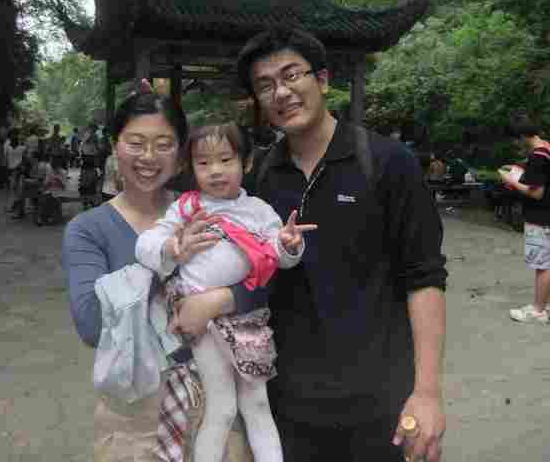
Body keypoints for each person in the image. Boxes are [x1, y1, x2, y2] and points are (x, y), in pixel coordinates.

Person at [229, 27, 447, 462]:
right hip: (288, 403)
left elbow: (424, 278)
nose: (281, 92)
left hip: (380, 401)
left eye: (292, 75)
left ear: (323, 80)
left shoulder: (387, 163)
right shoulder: (260, 178)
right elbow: (247, 275)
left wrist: (426, 393)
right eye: (265, 85)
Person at [62, 84, 255, 462]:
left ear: (181, 153)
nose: (148, 157)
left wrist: (222, 298)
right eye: (135, 143)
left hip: (219, 402)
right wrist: (163, 257)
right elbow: (92, 325)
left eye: (163, 144)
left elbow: (259, 285)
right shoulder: (88, 230)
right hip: (136, 417)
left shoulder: (208, 211)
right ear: (115, 145)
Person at [136, 122, 315, 462]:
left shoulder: (259, 210)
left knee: (258, 404)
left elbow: (277, 257)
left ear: (246, 163)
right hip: (203, 325)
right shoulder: (187, 207)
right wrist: (173, 246)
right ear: (192, 168)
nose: (215, 171)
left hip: (249, 321)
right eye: (203, 163)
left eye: (225, 160)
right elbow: (146, 244)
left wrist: (290, 244)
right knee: (222, 407)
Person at [498, 112, 550, 324]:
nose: (515, 144)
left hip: (541, 217)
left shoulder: (537, 156)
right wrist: (519, 171)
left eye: (515, 140)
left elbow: (536, 193)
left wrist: (510, 180)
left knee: (543, 265)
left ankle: (537, 310)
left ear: (520, 136)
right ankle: (543, 305)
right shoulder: (547, 148)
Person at [5, 132, 26, 213]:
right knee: (14, 189)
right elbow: (7, 160)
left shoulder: (22, 148)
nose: (12, 142)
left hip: (18, 171)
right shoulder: (9, 148)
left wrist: (20, 167)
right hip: (12, 170)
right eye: (12, 140)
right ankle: (14, 205)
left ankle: (16, 206)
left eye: (13, 140)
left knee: (17, 189)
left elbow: (24, 159)